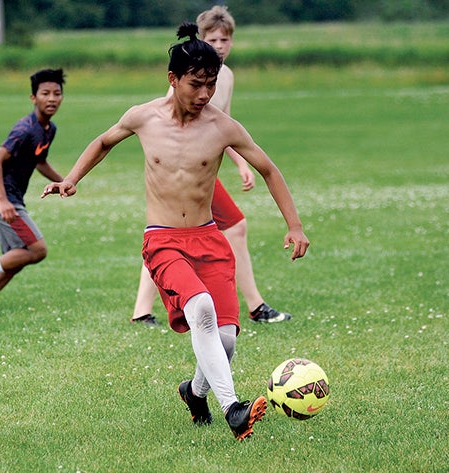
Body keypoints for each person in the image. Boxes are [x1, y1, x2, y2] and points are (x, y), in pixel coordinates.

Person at [42, 23, 309, 440]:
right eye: (196, 84)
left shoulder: (223, 127)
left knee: (226, 340)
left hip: (208, 239)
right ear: (173, 79)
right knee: (199, 308)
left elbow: (269, 170)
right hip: (164, 239)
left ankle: (195, 392)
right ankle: (233, 409)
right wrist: (71, 178)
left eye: (211, 84)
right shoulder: (143, 117)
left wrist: (294, 225)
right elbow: (104, 141)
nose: (205, 94)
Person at [132, 5, 292, 326]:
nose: (219, 46)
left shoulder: (225, 76)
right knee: (219, 228)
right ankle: (255, 304)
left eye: (225, 40)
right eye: (213, 40)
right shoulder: (188, 78)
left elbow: (225, 128)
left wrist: (240, 164)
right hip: (185, 170)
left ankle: (142, 310)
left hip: (206, 167)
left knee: (168, 234)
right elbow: (174, 126)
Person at [0, 69, 65, 311]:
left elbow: (40, 161)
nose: (51, 98)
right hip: (5, 200)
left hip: (13, 198)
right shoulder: (25, 129)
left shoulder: (48, 130)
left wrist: (65, 181)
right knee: (37, 250)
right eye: (45, 93)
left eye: (57, 93)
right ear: (33, 98)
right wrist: (3, 201)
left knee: (16, 259)